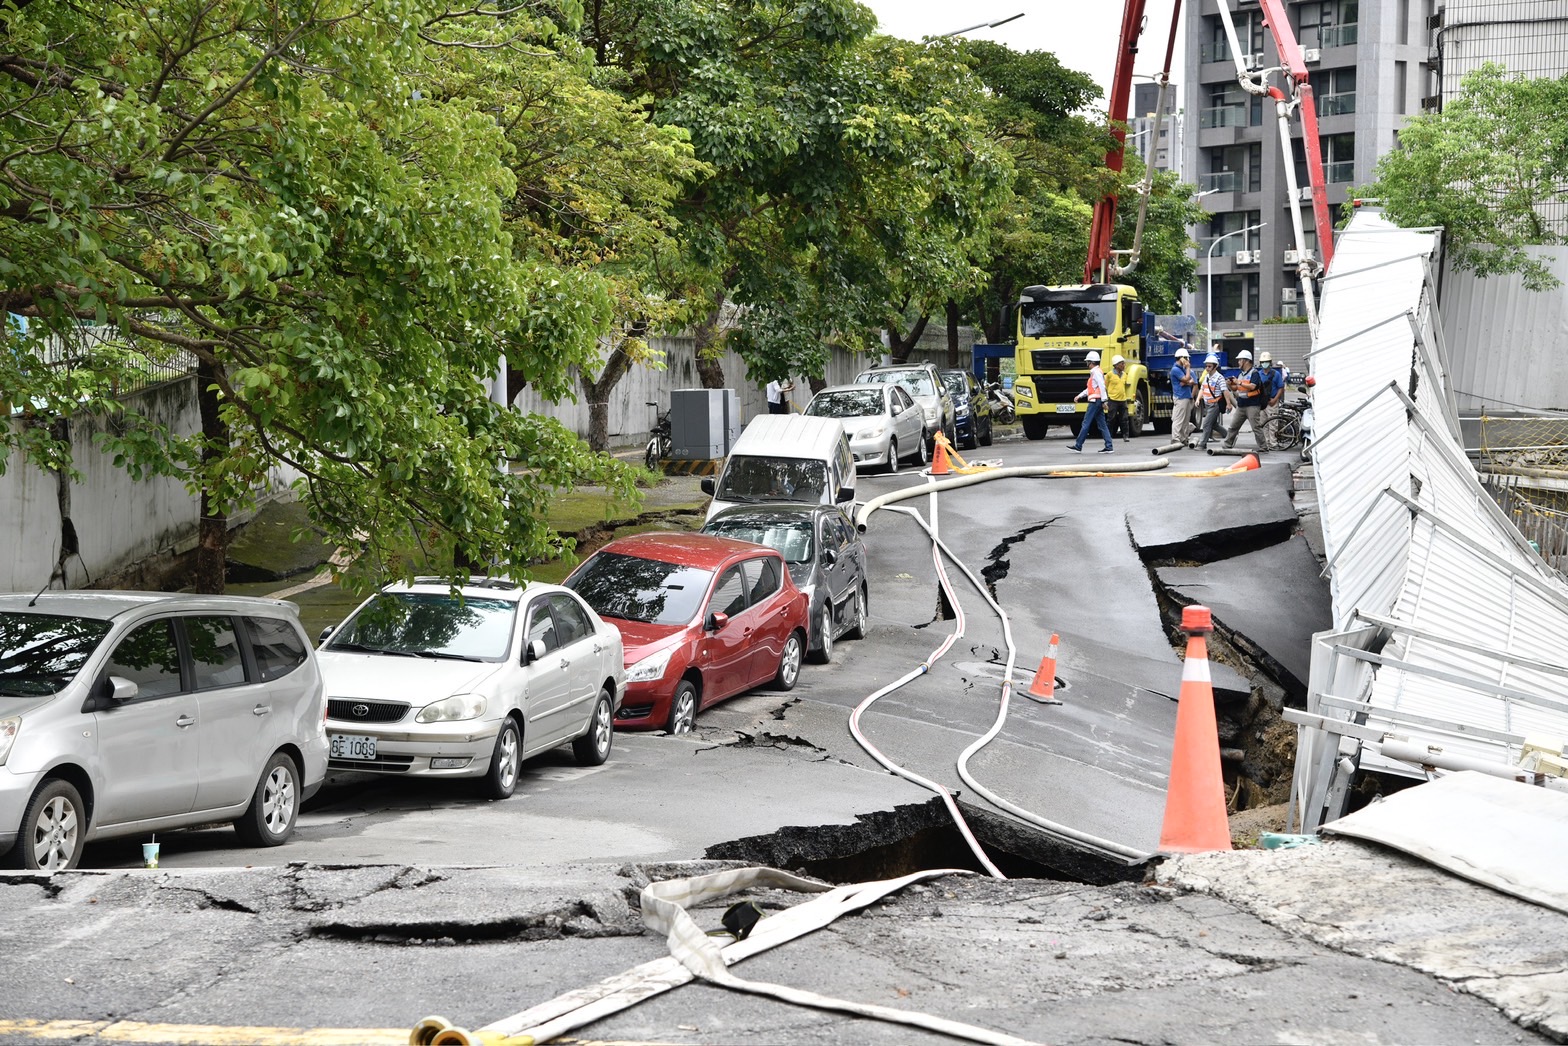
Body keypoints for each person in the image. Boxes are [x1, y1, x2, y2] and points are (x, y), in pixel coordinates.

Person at [1069, 350, 1114, 453]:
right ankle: (1109, 446)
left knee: (1086, 423)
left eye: (1087, 361)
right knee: (1102, 425)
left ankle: (1078, 445)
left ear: (1091, 362)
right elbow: (1090, 389)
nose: (1087, 364)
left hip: (1095, 402)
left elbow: (1102, 386)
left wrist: (1104, 400)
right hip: (1097, 401)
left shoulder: (1096, 372)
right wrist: (1079, 396)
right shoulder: (1095, 372)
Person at [1222, 349, 1268, 451]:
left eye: (1240, 360)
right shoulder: (1241, 374)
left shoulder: (1254, 373)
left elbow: (1252, 386)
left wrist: (1239, 382)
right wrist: (1230, 385)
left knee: (1256, 427)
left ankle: (1263, 447)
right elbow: (1236, 389)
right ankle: (1227, 444)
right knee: (1233, 426)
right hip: (1241, 405)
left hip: (1252, 405)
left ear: (1246, 361)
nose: (1238, 362)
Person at [1196, 353, 1233, 449]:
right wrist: (1198, 399)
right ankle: (1230, 436)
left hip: (1215, 404)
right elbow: (1202, 389)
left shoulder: (1219, 377)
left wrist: (1228, 404)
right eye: (1206, 366)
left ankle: (1202, 444)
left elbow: (1225, 391)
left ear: (1215, 366)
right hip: (1208, 405)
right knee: (1213, 424)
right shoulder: (1207, 377)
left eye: (1209, 366)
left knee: (1206, 424)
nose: (1207, 368)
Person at [1168, 347, 1197, 446]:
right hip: (1180, 397)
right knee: (1179, 419)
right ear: (1181, 358)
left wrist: (1187, 381)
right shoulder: (1176, 369)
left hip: (1186, 396)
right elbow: (1187, 379)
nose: (1188, 360)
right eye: (1186, 358)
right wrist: (1188, 368)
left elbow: (1191, 381)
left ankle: (1184, 438)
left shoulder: (1182, 369)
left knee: (1185, 420)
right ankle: (1175, 438)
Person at [1105, 355, 1134, 443]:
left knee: (1124, 419)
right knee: (1111, 419)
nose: (1124, 365)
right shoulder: (1109, 375)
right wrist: (1106, 399)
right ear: (1116, 365)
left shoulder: (1124, 375)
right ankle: (1109, 435)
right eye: (1122, 364)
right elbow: (1105, 387)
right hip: (1112, 400)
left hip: (1123, 400)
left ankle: (1125, 436)